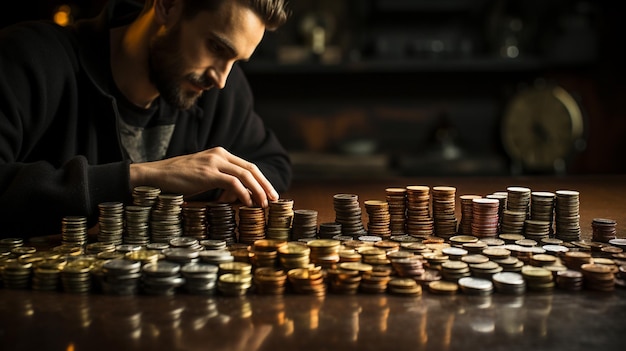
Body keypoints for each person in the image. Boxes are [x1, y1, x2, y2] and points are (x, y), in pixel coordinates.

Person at [0, 0, 292, 238]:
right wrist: (141, 177)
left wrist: (209, 178)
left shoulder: (215, 87)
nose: (222, 80)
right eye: (216, 47)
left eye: (236, 61)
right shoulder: (29, 57)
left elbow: (273, 164)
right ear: (166, 6)